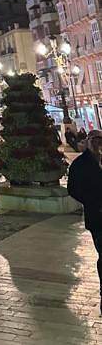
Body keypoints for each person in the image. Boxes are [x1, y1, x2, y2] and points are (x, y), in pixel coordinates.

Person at [67, 130, 102, 313]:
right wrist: (90, 201)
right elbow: (72, 189)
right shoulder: (80, 164)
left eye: (100, 140)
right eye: (94, 140)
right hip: (97, 216)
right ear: (88, 142)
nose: (97, 143)